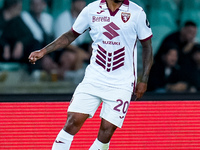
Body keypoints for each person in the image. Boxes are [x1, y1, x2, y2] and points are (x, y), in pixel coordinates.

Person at [29, 0, 153, 149]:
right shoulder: (92, 9)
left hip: (122, 82)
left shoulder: (137, 12)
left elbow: (147, 47)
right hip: (94, 78)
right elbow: (70, 35)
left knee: (107, 130)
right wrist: (43, 51)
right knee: (73, 121)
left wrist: (144, 79)